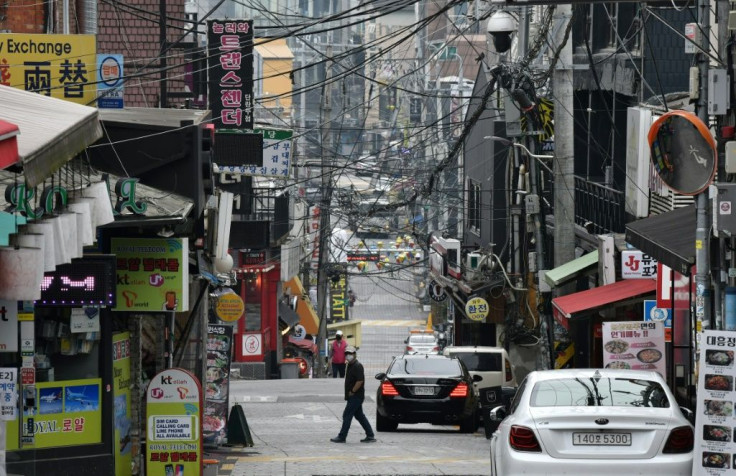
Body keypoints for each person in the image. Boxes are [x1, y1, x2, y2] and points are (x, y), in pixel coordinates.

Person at [330, 346, 376, 443]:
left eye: (350, 353)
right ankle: (370, 435)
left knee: (347, 414)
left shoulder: (357, 365)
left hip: (356, 396)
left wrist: (353, 391)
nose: (348, 355)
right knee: (359, 416)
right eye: (346, 353)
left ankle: (342, 436)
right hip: (354, 396)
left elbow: (359, 381)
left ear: (355, 354)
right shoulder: (350, 365)